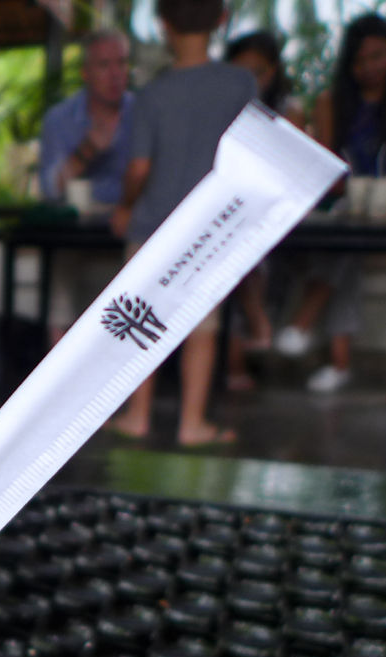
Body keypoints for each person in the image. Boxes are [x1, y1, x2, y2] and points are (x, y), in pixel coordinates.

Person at [108, 0, 257, 447]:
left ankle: (137, 415)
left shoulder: (152, 94)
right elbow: (252, 151)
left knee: (140, 324)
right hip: (210, 228)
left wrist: (124, 206)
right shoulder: (240, 84)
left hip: (152, 225)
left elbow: (139, 168)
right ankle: (192, 423)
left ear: (163, 25)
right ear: (222, 20)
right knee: (202, 328)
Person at [274, 14, 386, 393]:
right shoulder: (333, 101)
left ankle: (305, 322)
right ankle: (338, 363)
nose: (369, 67)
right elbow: (326, 167)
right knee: (349, 244)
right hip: (343, 204)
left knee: (350, 243)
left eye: (377, 56)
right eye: (360, 60)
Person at [37, 28, 135, 345]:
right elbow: (50, 190)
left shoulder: (144, 113)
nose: (115, 74)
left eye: (121, 63)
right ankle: (59, 363)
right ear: (85, 73)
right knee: (61, 261)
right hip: (78, 231)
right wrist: (86, 151)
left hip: (131, 227)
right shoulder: (60, 118)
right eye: (104, 65)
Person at [223, 30, 303, 390]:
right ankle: (237, 361)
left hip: (277, 214)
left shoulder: (287, 110)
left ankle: (256, 333)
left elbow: (294, 168)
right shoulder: (220, 109)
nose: (250, 80)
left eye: (257, 72)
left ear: (272, 72)